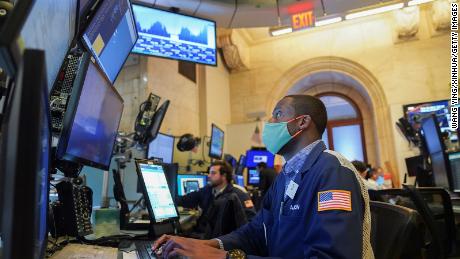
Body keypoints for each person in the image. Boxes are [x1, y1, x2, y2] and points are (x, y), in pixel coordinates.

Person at [154, 95, 374, 259]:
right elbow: (257, 231)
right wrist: (208, 245)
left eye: (278, 114)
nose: (270, 122)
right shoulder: (286, 176)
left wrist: (224, 258)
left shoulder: (332, 171)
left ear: (302, 122)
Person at [176, 161, 256, 235]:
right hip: (202, 234)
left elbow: (250, 221)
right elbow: (186, 200)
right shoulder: (207, 190)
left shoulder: (238, 195)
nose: (209, 176)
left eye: (213, 173)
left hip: (221, 238)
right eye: (209, 173)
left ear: (224, 176)